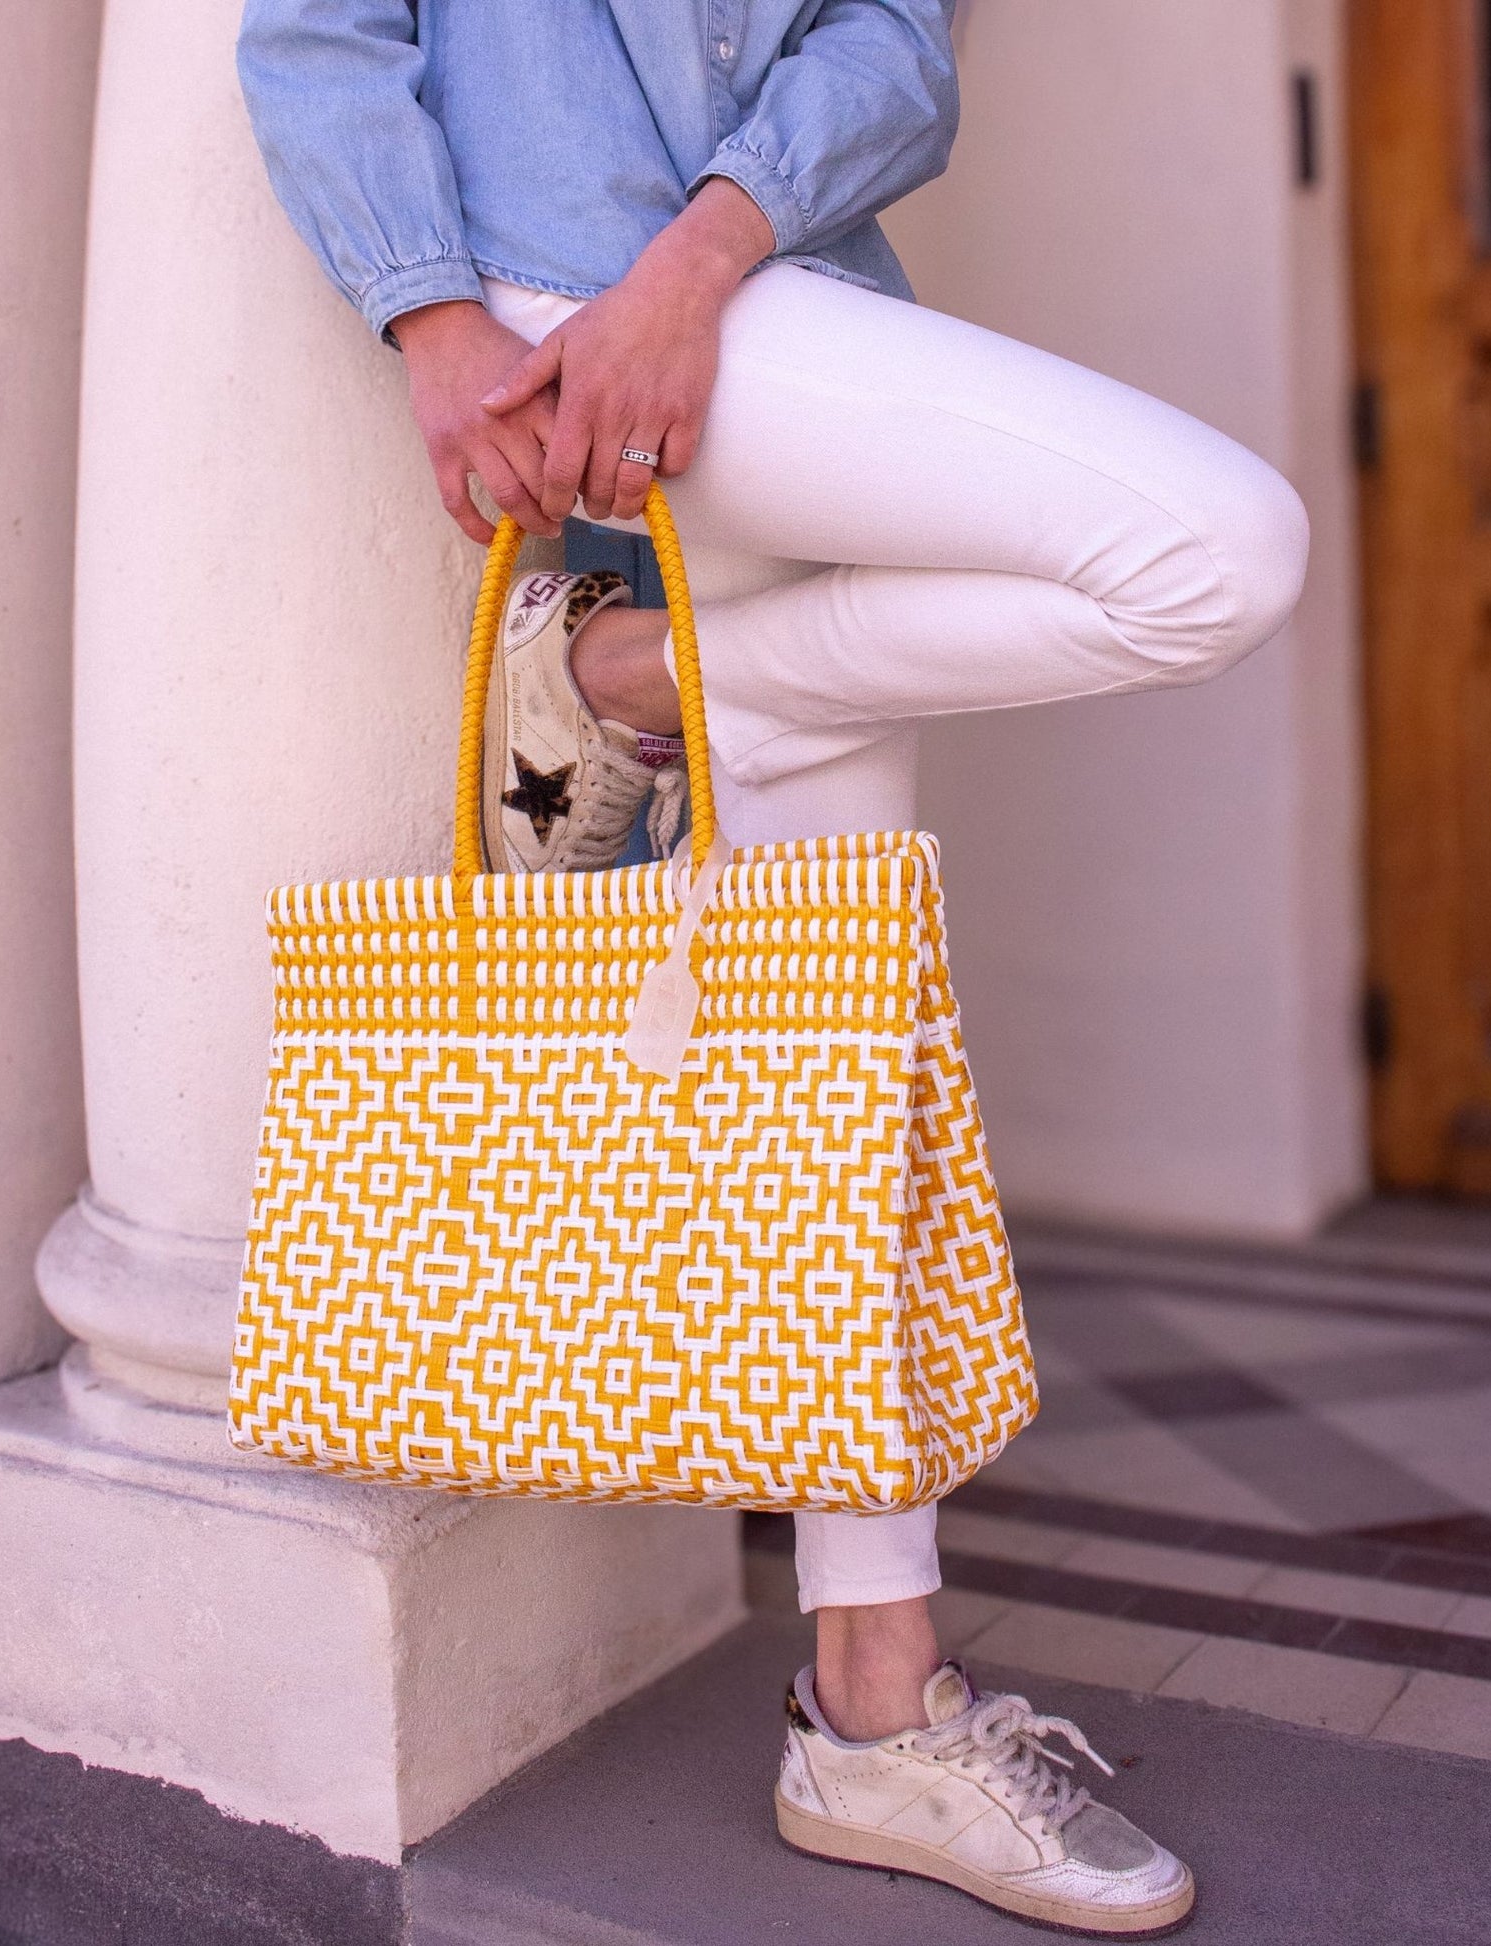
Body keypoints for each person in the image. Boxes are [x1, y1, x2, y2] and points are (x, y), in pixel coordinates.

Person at [238, 3, 1306, 1934]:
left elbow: (892, 44)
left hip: (767, 291)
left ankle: (871, 1716)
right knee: (1223, 546)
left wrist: (698, 265)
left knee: (828, 1045)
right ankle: (626, 675)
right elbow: (317, 25)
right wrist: (434, 321)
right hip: (555, 296)